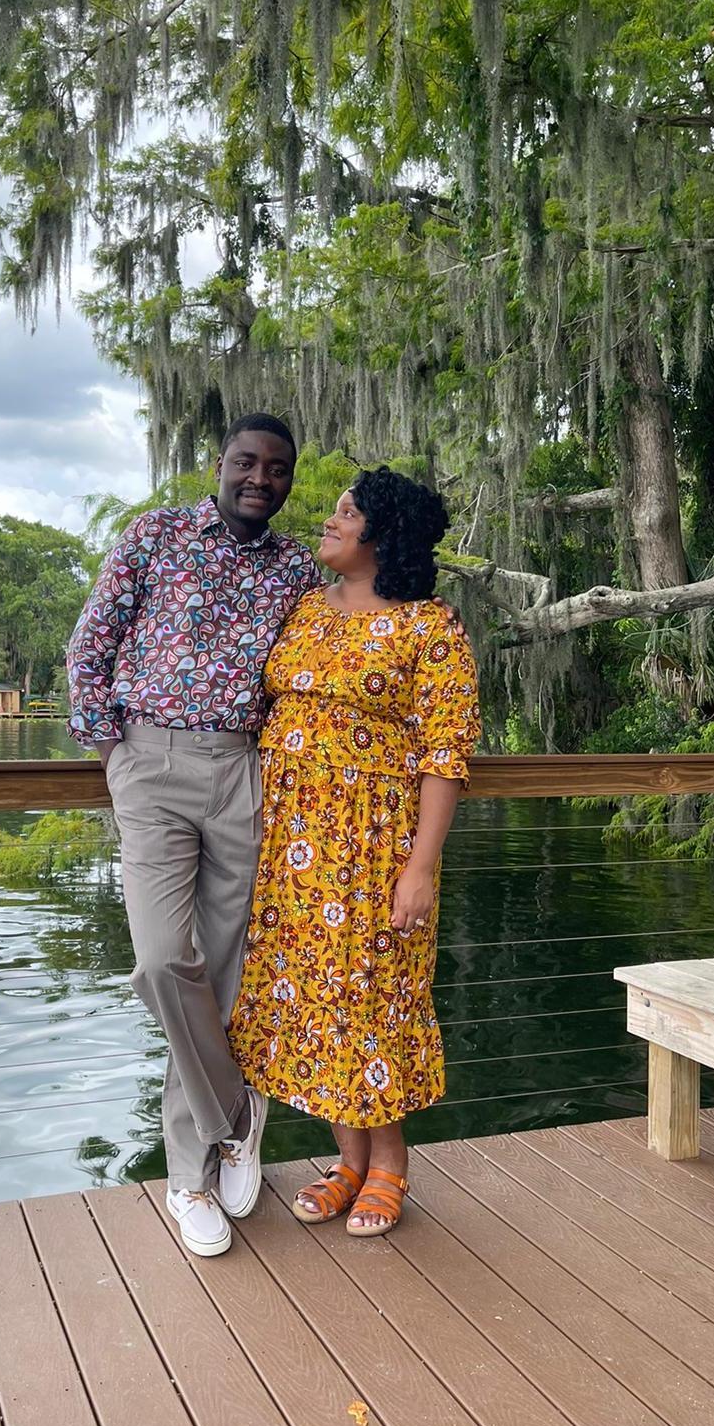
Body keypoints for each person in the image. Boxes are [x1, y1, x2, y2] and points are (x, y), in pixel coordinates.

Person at [65, 414, 323, 1256]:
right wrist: (114, 753)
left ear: (288, 480)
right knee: (159, 960)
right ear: (218, 464)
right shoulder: (157, 534)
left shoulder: (296, 567)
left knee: (222, 973)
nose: (260, 479)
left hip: (243, 768)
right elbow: (90, 644)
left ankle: (190, 1177)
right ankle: (236, 1114)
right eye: (246, 462)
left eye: (277, 469)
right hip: (151, 762)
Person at [228, 466, 480, 1236]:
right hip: (290, 850)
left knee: (371, 1004)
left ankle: (390, 1165)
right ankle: (348, 1162)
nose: (329, 521)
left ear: (383, 534)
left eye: (347, 512)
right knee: (312, 1003)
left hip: (374, 849)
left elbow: (446, 753)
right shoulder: (305, 609)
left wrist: (420, 868)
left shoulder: (429, 627)